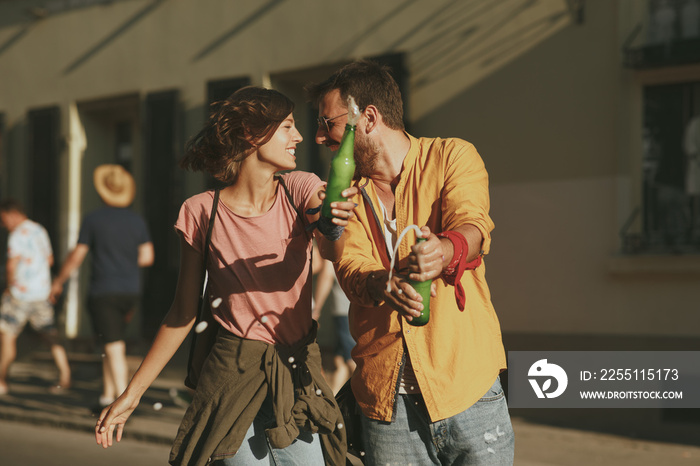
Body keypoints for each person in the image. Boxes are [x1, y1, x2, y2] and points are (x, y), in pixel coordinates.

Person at [93, 86, 357, 465]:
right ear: (252, 134)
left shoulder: (300, 188)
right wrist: (130, 395)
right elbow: (182, 312)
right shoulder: (200, 211)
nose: (298, 137)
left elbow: (332, 248)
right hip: (231, 380)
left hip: (296, 376)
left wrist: (332, 225)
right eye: (287, 127)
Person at [307, 61, 515, 464]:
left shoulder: (452, 155)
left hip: (466, 386)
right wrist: (383, 285)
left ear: (367, 118)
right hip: (389, 408)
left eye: (326, 122)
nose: (318, 135)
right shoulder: (345, 192)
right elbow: (350, 269)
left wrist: (445, 250)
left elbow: (474, 226)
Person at [49, 165, 154, 408]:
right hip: (130, 291)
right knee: (111, 343)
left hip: (104, 291)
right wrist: (124, 260)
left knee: (113, 346)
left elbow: (77, 256)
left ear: (101, 191)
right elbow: (147, 257)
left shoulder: (94, 219)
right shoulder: (137, 221)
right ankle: (106, 397)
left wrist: (58, 281)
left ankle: (122, 402)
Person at [0, 199, 71, 395]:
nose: (3, 224)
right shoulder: (40, 230)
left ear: (12, 214)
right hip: (41, 292)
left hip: (19, 293)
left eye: (3, 219)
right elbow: (50, 259)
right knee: (50, 335)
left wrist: (8, 286)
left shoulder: (16, 235)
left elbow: (11, 265)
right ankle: (65, 375)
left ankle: (2, 380)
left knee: (7, 336)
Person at [312, 244, 355, 394]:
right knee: (340, 360)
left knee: (352, 360)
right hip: (347, 309)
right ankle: (334, 403)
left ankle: (366, 404)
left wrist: (316, 309)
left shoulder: (333, 241)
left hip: (343, 310)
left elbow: (326, 275)